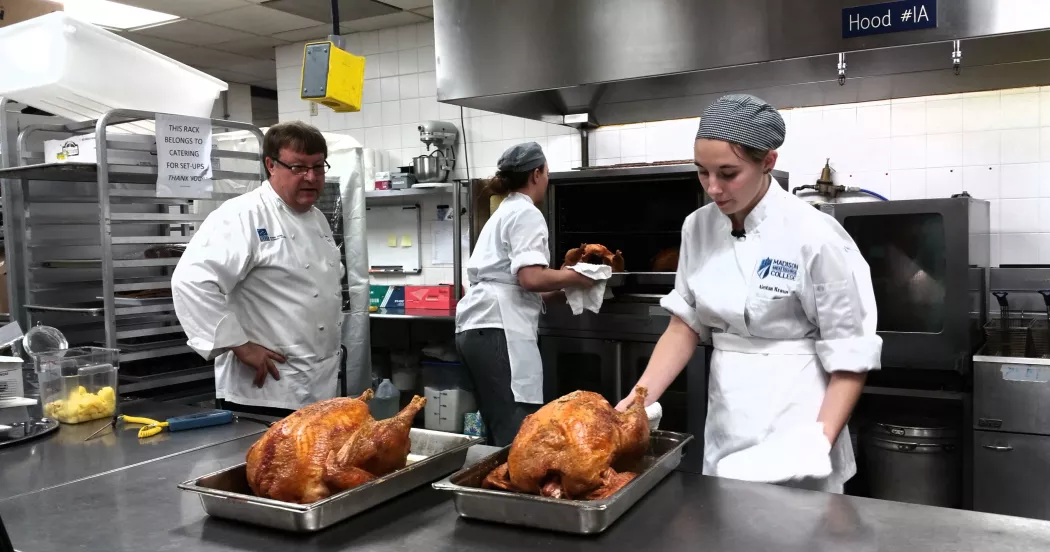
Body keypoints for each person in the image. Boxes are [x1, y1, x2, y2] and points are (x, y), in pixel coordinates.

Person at [617, 95, 881, 493]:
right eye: (702, 172)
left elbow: (849, 353)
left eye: (728, 173)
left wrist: (815, 443)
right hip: (728, 416)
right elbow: (684, 324)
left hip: (800, 418)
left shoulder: (814, 236)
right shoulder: (698, 228)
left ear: (768, 163)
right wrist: (635, 402)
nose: (713, 188)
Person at [172, 121, 343, 418]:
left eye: (318, 167)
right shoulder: (242, 215)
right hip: (265, 392)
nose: (311, 178)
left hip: (319, 387)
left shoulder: (317, 219)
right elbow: (191, 281)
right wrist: (239, 345)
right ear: (271, 165)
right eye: (299, 168)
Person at [455, 142, 594, 446]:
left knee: (499, 430)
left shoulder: (504, 211)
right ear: (537, 173)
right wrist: (580, 276)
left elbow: (518, 285)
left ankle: (495, 491)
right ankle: (512, 492)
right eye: (546, 172)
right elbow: (530, 278)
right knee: (517, 434)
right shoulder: (526, 213)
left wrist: (563, 287)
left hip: (479, 326)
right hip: (496, 329)